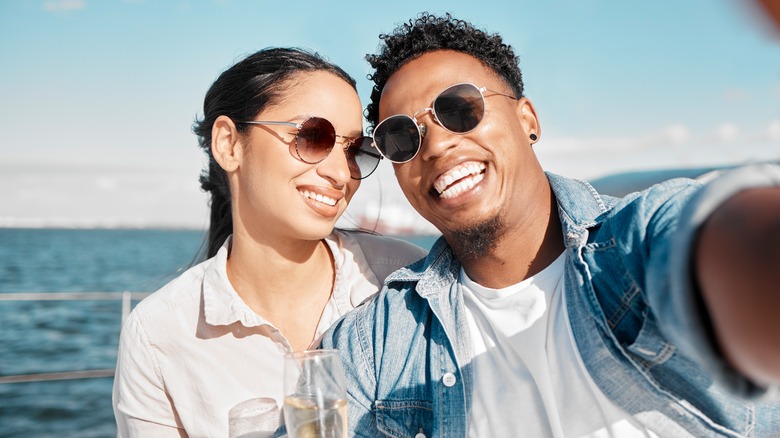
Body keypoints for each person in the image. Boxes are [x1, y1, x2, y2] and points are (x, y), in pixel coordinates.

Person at [321, 13, 780, 437]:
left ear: (528, 120)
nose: (437, 145)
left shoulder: (633, 247)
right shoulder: (377, 341)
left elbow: (719, 243)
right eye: (401, 137)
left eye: (459, 109)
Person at [112, 47, 427, 437]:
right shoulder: (159, 334)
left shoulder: (407, 282)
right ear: (229, 144)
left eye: (354, 150)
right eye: (313, 136)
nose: (340, 173)